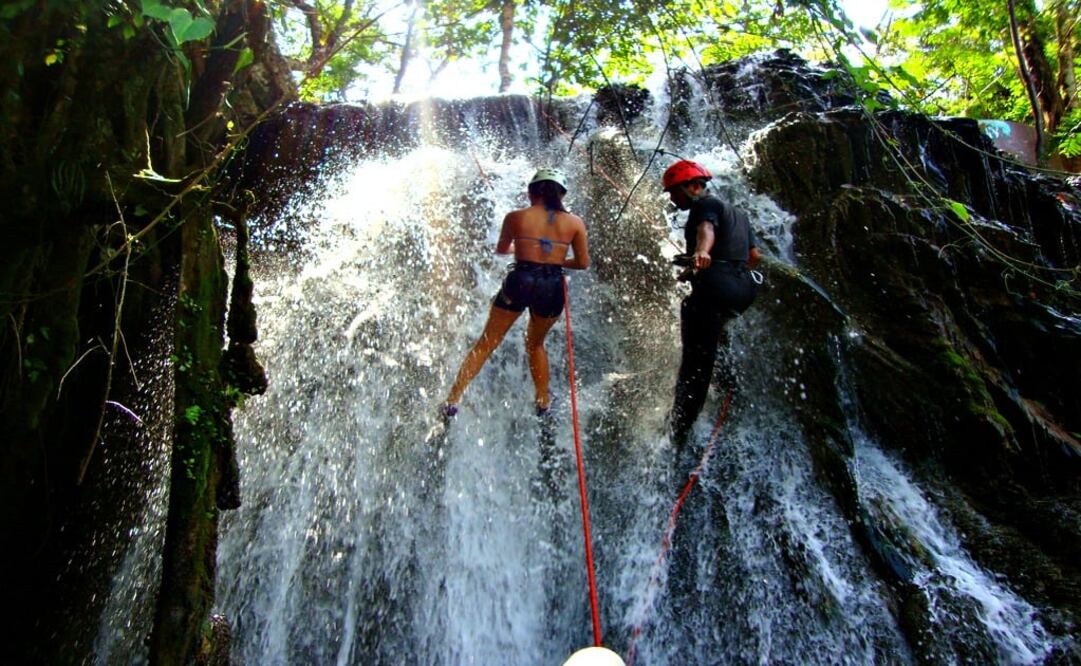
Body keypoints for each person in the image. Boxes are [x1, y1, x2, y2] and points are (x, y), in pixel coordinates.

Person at [443, 168, 590, 419]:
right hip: (551, 285)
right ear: (561, 195)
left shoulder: (515, 217)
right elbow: (582, 263)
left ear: (532, 192)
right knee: (536, 344)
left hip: (520, 279)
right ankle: (543, 401)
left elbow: (503, 249)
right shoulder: (575, 223)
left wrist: (522, 249)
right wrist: (556, 261)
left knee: (487, 342)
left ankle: (452, 400)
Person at [662, 159, 761, 450]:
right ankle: (728, 379)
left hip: (717, 288)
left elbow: (707, 230)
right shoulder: (739, 214)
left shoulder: (705, 206)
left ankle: (680, 429)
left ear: (693, 187)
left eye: (674, 191)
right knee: (715, 327)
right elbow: (753, 256)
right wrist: (695, 268)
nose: (672, 197)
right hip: (743, 288)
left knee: (695, 361)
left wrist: (703, 253)